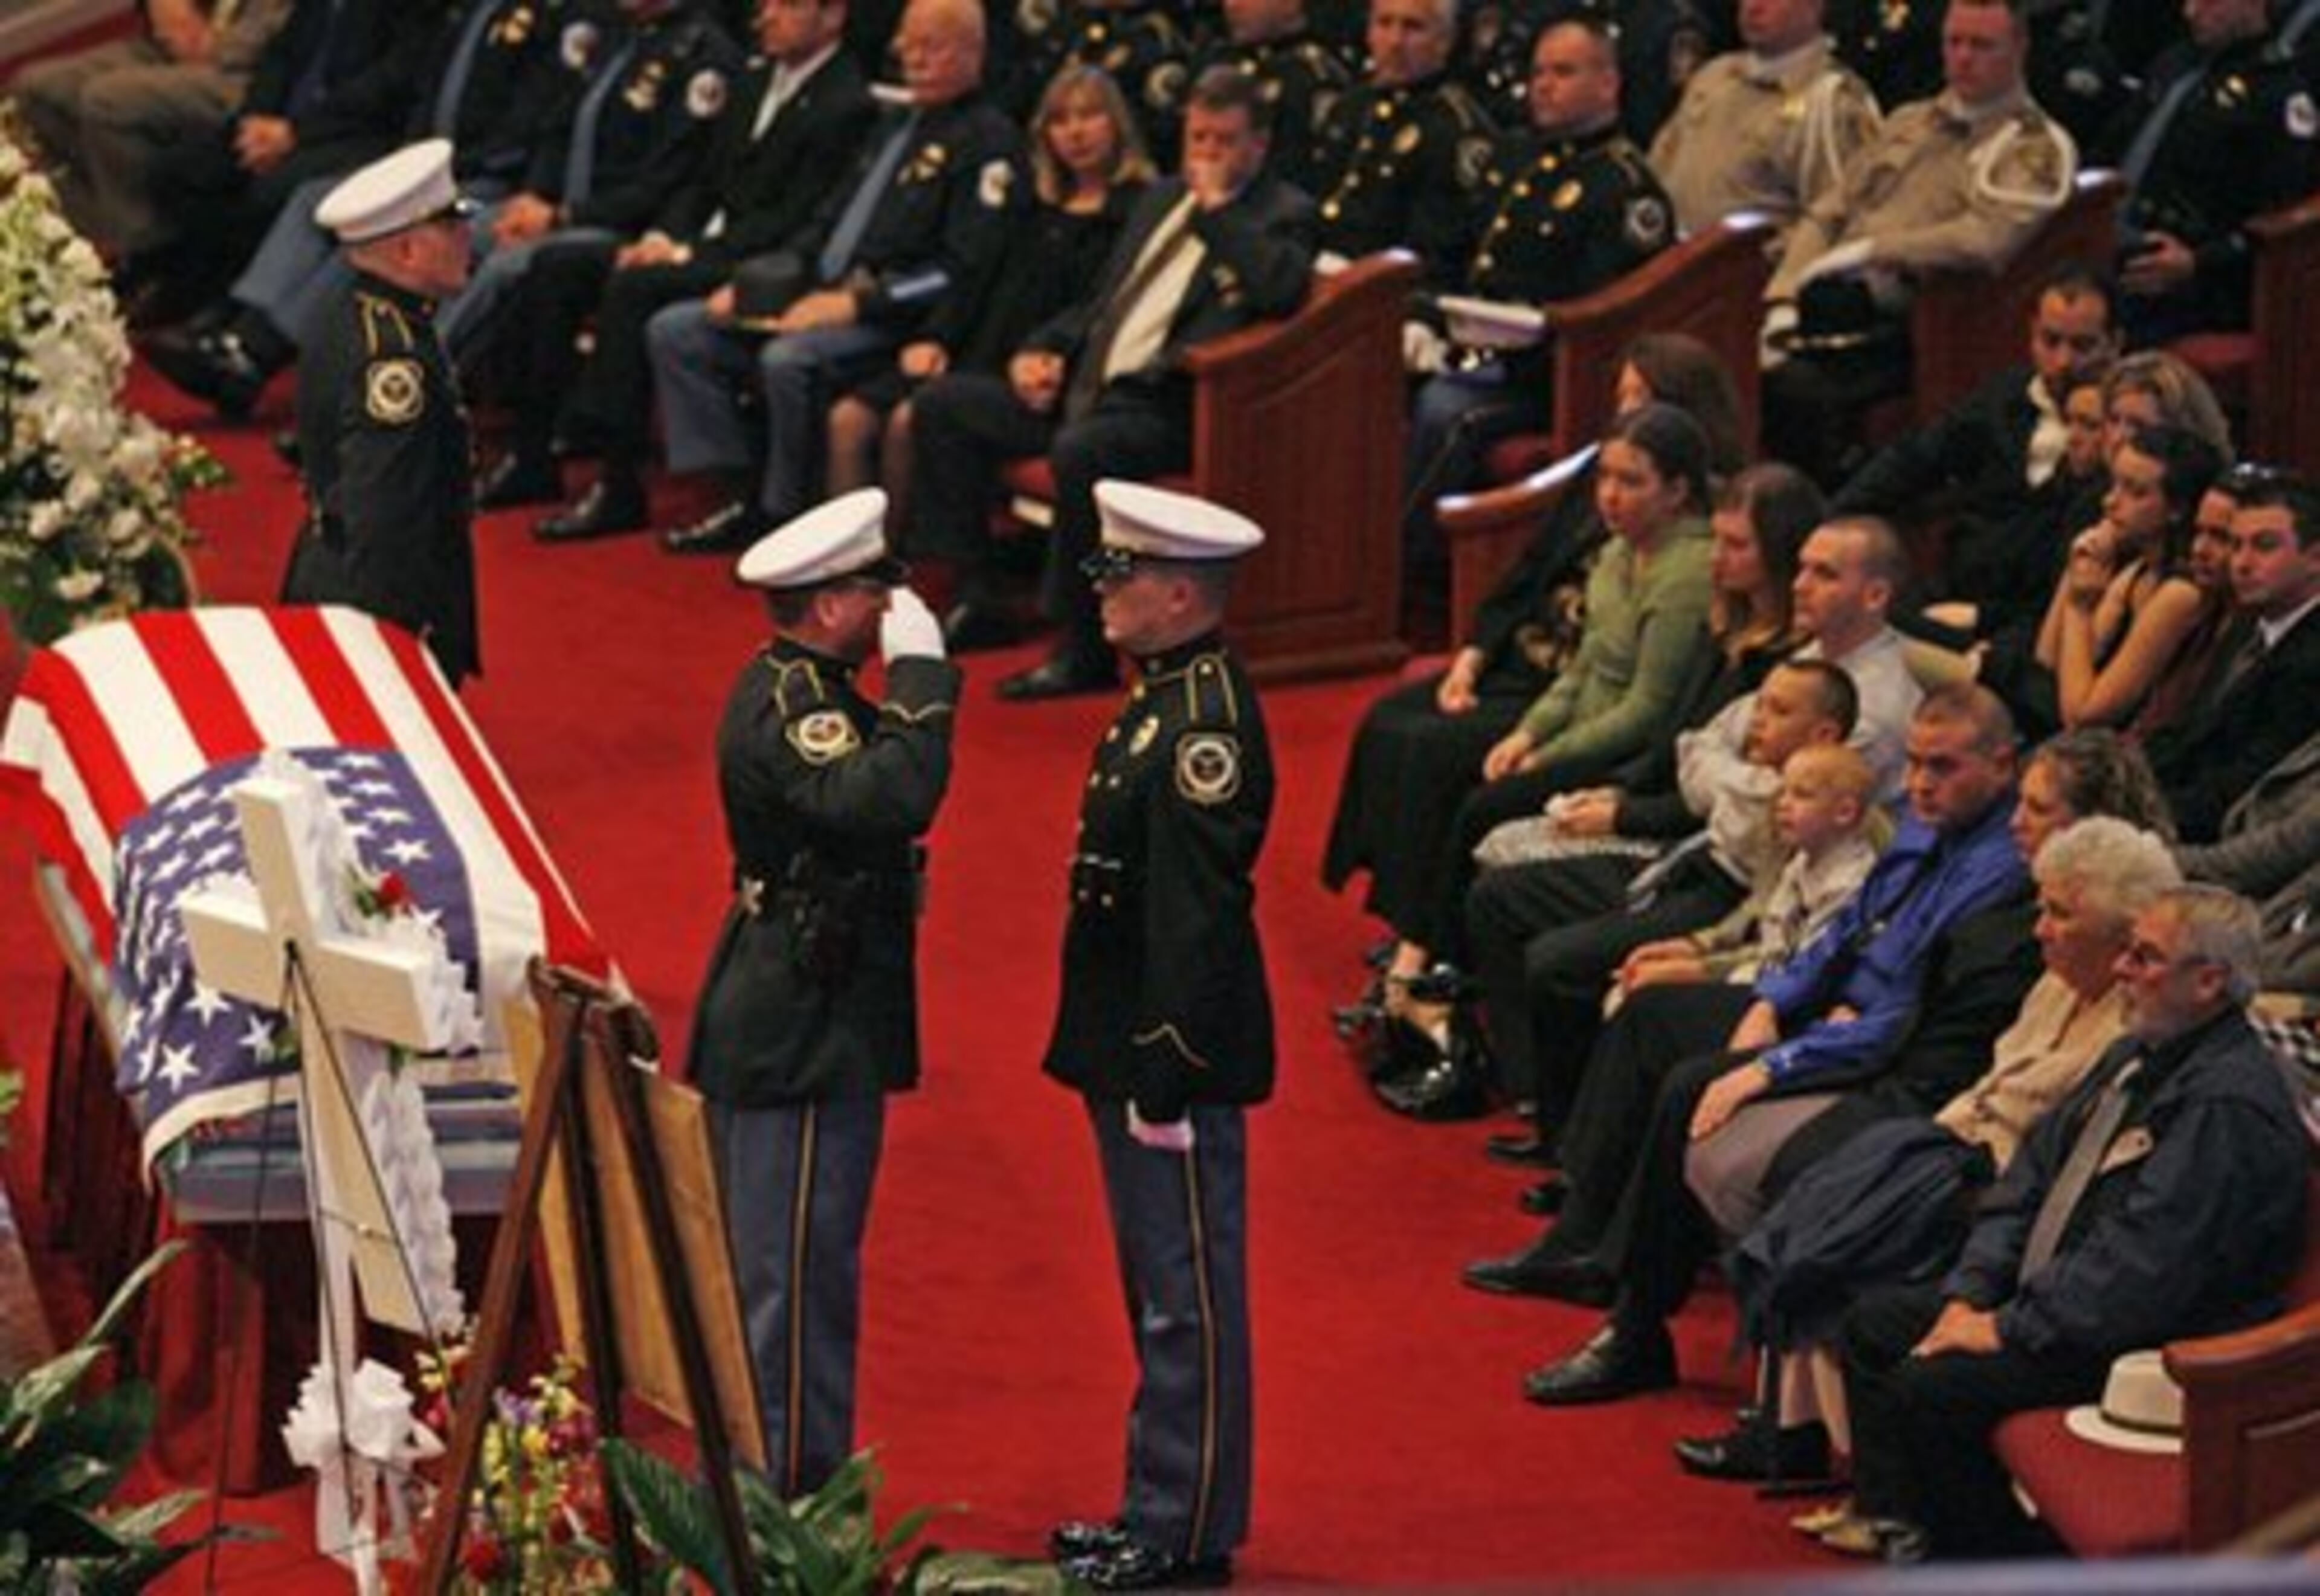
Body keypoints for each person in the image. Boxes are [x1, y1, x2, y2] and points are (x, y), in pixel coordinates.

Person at [1497, 687, 2037, 1404]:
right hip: (1824, 1007)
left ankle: (1637, 1323)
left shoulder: (2001, 864)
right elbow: (1847, 930)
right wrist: (1772, 1001)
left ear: (2003, 764)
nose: (1920, 783)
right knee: (1651, 1013)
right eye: (1912, 764)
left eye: (1943, 766)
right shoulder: (1922, 820)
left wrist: (1777, 1060)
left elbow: (1904, 1007)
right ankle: (1583, 1239)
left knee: (1694, 1082)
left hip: (1868, 1045)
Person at [1681, 816, 2180, 1516]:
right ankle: (1795, 1434)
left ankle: (1853, 1478)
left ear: (2120, 929)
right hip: (1960, 1144)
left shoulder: (2137, 1024)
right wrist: (1921, 1143)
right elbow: (1993, 1082)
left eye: (2061, 912)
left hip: (2006, 1185)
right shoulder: (2057, 980)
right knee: (1828, 1189)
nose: (2040, 927)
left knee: (1851, 1237)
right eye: (2041, 905)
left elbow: (2043, 1138)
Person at [1836, 883, 2308, 1560]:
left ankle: (1991, 1562)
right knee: (1875, 1326)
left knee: (1931, 1391)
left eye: (2145, 957)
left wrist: (2001, 1326)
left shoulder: (2225, 1103)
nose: (2121, 969)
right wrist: (1970, 1293)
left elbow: (2143, 1271)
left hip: (2152, 1349)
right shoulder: (2132, 1056)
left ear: (2208, 980)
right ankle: (1912, 1531)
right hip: (2067, 1303)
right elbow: (2028, 1184)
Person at [688, 487, 960, 1498]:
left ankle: (778, 1488)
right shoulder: (798, 705)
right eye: (875, 586)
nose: (890, 603)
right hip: (799, 1018)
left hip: (807, 994)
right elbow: (889, 795)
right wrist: (927, 682)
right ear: (833, 605)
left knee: (798, 1272)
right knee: (793, 1283)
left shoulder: (806, 685)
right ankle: (788, 1511)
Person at [904, 65, 1316, 700]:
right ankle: (979, 590)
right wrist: (1043, 350)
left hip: (1173, 406)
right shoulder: (1161, 198)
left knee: (1083, 452)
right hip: (1091, 387)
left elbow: (1280, 286)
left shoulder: (1281, 213)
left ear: (1257, 145)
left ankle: (1084, 645)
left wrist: (1214, 212)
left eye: (1223, 142)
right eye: (1197, 139)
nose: (1205, 155)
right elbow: (1102, 304)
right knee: (945, 406)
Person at [1040, 482, 1274, 1592]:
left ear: (1180, 593)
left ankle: (1185, 1532)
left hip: (1168, 1045)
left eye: (1120, 574)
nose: (1103, 592)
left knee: (1189, 1293)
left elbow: (1197, 912)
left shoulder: (1203, 723)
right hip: (1124, 1033)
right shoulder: (1161, 697)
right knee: (1156, 1288)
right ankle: (1155, 1502)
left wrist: (1168, 1064)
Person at [645, 0, 1026, 555]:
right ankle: (733, 487)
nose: (914, 58)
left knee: (790, 359)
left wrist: (861, 305)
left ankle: (784, 516)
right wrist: (760, 284)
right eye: (908, 43)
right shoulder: (893, 123)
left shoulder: (988, 143)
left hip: (899, 318)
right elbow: (825, 222)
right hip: (822, 293)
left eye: (933, 46)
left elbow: (959, 272)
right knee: (680, 329)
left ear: (973, 53)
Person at [497, 0, 879, 533]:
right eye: (765, 4)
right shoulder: (754, 79)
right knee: (560, 266)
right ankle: (532, 452)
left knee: (636, 289)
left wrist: (686, 256)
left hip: (762, 264)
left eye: (786, 5)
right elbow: (701, 181)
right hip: (699, 245)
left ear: (832, 16)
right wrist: (663, 236)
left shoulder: (846, 103)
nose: (765, 15)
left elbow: (794, 222)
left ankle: (618, 481)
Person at [825, 62, 1153, 605]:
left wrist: (1047, 359)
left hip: (1054, 382)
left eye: (1091, 117)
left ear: (1118, 125)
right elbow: (975, 282)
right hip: (981, 355)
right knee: (849, 417)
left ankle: (910, 580)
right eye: (1061, 120)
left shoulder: (1138, 210)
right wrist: (936, 337)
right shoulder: (1032, 202)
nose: (1075, 132)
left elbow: (1109, 312)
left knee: (916, 417)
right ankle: (851, 567)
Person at [1762, 0, 2076, 483]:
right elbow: (1829, 211)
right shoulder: (1910, 121)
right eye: (1954, 43)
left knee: (1790, 391)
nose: (1964, 58)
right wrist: (1785, 294)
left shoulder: (2032, 146)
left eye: (1982, 45)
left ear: (2019, 48)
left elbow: (1984, 241)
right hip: (1821, 300)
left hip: (1912, 322)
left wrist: (1873, 250)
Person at [1402, 15, 1675, 523]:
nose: (1543, 85)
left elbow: (1614, 316)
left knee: (1445, 411)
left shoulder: (1623, 186)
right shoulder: (1514, 156)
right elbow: (1454, 250)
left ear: (1608, 84)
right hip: (1471, 350)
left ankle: (1396, 566)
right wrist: (1423, 313)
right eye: (1539, 72)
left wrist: (1529, 331)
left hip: (1546, 376)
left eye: (1563, 72)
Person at [280, 140, 483, 686]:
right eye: (451, 225)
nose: (469, 235)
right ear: (408, 253)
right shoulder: (394, 360)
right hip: (371, 604)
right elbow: (385, 518)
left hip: (331, 572)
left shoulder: (354, 309)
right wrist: (395, 649)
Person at [8, 0, 291, 275]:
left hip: (251, 67)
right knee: (36, 89)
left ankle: (152, 258)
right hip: (183, 33)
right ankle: (106, 243)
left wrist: (218, 43)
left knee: (108, 101)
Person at [2101, 0, 2320, 343]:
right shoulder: (2174, 64)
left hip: (2195, 286)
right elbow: (2111, 149)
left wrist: (2197, 263)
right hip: (2118, 242)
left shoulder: (2278, 97)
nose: (2190, 11)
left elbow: (2279, 226)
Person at [2146, 469, 2320, 841]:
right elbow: (2190, 734)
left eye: (2265, 546)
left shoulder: (2311, 662)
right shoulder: (2248, 624)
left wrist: (2137, 812)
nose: (2241, 563)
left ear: (2315, 558)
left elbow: (2249, 782)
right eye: (2237, 544)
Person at [2029, 422, 2225, 732]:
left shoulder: (2181, 593)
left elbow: (2084, 715)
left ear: (2176, 509)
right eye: (2114, 484)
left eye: (2135, 492)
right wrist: (2077, 568)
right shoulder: (2138, 571)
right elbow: (2047, 662)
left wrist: (2081, 607)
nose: (2110, 502)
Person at [1646, 0, 1880, 249]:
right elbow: (1658, 166)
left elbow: (1841, 225)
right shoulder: (1714, 76)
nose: (1753, 7)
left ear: (1815, 7)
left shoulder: (1830, 104)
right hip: (1666, 262)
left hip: (1746, 275)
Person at [1303, 0, 1497, 284]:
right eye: (1384, 24)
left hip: (1382, 293)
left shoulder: (1456, 127)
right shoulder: (1351, 106)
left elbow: (1436, 251)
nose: (1395, 41)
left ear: (1445, 41)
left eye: (1413, 28)